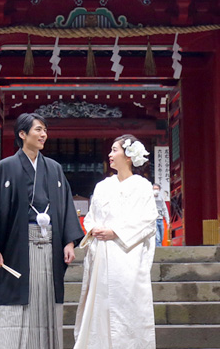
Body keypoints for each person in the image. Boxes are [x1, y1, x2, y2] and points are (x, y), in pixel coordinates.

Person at [0, 113, 85, 349]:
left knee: (46, 300)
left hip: (50, 246)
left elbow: (65, 205)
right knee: (18, 302)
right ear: (22, 134)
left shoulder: (54, 169)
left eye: (45, 130)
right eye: (38, 130)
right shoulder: (6, 167)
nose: (43, 134)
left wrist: (69, 242)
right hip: (18, 247)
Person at [73, 135, 157, 349]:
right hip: (102, 253)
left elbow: (147, 220)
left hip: (128, 254)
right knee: (100, 305)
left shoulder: (142, 186)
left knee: (128, 306)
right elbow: (91, 215)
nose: (110, 155)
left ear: (128, 156)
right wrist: (92, 228)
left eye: (114, 150)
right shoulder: (103, 186)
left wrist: (116, 231)